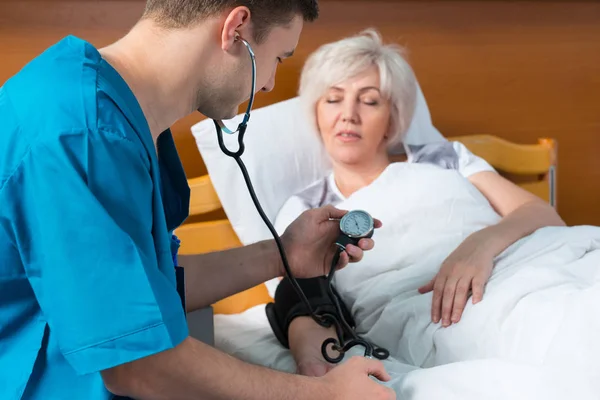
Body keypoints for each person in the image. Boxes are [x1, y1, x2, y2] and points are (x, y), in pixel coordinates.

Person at [0, 2, 397, 399]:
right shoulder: (81, 136)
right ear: (236, 29)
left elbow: (145, 291)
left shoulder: (91, 102)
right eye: (277, 58)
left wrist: (283, 255)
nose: (271, 83)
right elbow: (138, 365)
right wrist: (327, 394)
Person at [267, 30, 565, 377]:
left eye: (369, 100)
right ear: (316, 112)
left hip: (523, 268)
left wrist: (480, 245)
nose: (348, 114)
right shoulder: (305, 214)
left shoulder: (444, 158)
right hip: (441, 312)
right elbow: (304, 299)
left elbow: (543, 215)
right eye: (333, 99)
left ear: (391, 118)